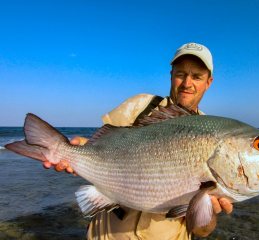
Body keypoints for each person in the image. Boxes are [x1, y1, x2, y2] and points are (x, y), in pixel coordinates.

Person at [44, 42, 233, 239]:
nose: (187, 83)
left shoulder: (214, 135)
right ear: (171, 75)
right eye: (180, 74)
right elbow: (101, 146)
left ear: (208, 82)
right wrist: (74, 152)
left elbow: (201, 231)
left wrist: (208, 211)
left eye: (197, 76)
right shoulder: (140, 106)